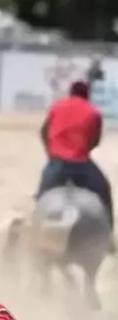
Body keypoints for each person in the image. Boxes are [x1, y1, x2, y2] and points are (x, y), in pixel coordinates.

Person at [36, 80, 114, 235]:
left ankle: (33, 229)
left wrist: (51, 152)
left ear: (70, 93)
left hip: (56, 163)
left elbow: (44, 132)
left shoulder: (56, 106)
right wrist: (82, 149)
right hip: (81, 164)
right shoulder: (93, 112)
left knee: (40, 196)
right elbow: (95, 141)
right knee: (104, 190)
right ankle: (109, 234)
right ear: (87, 95)